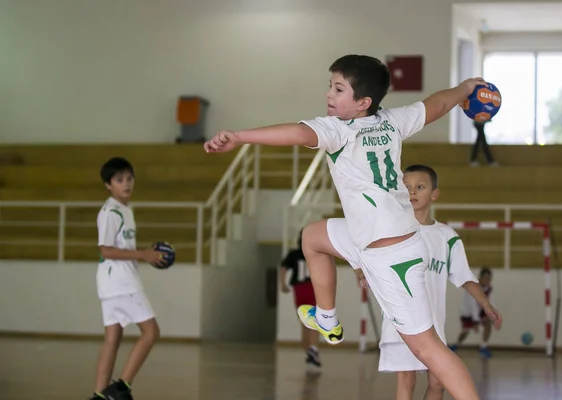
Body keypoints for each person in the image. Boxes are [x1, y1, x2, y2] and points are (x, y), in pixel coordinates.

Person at [204, 54, 488, 400]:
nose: (329, 95)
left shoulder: (337, 129)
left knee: (428, 350)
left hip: (391, 256)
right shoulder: (392, 121)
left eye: (339, 89)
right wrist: (466, 87)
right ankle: (327, 319)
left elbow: (295, 132)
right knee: (312, 237)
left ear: (362, 103)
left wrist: (240, 136)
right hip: (367, 236)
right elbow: (438, 104)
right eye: (330, 86)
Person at [354, 165, 502, 400]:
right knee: (407, 379)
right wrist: (360, 271)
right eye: (407, 187)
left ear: (434, 194)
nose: (412, 192)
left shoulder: (447, 236)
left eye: (420, 187)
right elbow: (364, 256)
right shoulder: (391, 233)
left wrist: (485, 304)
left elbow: (465, 276)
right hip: (400, 322)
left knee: (438, 382)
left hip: (433, 325)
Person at [90, 157, 166, 400]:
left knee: (113, 339)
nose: (126, 184)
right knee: (151, 331)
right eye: (119, 179)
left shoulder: (125, 210)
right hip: (120, 281)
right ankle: (121, 388)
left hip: (111, 281)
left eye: (130, 178)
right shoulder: (111, 212)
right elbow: (106, 250)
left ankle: (99, 395)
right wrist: (143, 254)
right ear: (107, 185)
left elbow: (121, 246)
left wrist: (146, 251)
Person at [280, 230, 321, 369]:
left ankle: (309, 351)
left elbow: (283, 268)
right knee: (314, 321)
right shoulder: (316, 253)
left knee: (305, 322)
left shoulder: (294, 254)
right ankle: (313, 349)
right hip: (311, 287)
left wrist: (283, 284)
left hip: (299, 289)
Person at [450, 267, 496, 358]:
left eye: (489, 278)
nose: (487, 280)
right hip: (468, 312)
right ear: (480, 277)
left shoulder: (489, 289)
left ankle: (483, 347)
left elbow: (490, 302)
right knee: (465, 331)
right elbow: (472, 305)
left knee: (488, 323)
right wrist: (475, 321)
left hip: (480, 311)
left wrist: (493, 315)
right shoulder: (474, 287)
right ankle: (456, 345)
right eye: (486, 278)